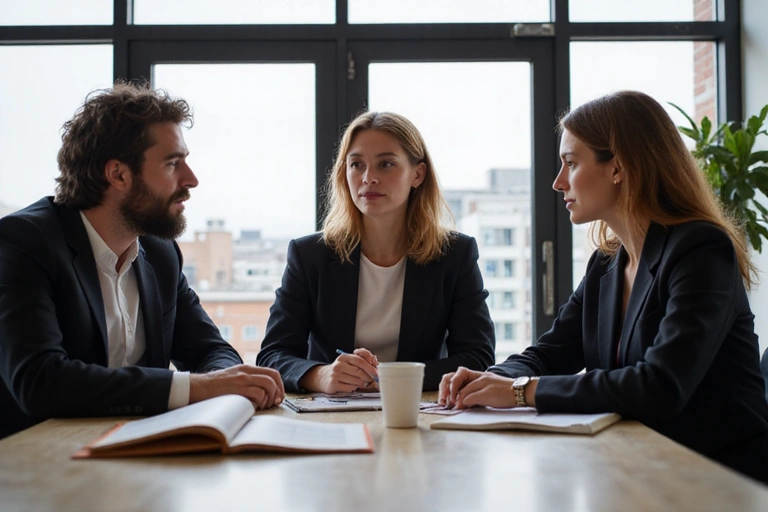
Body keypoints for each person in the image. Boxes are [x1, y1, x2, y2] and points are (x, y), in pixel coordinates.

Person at [439, 90, 768, 484]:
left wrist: (518, 391)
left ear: (619, 167)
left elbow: (659, 385)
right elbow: (548, 353)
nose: (559, 182)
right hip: (636, 466)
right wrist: (487, 380)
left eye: (571, 163)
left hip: (716, 477)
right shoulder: (607, 263)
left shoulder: (701, 250)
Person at [0, 82, 284, 439]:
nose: (191, 180)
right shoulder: (23, 243)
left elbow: (211, 350)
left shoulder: (160, 253)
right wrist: (198, 388)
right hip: (35, 468)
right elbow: (40, 382)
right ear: (118, 174)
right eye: (172, 164)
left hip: (140, 456)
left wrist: (223, 382)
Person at [256, 111, 495, 393]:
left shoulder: (455, 254)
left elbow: (477, 358)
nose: (369, 178)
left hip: (418, 412)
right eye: (357, 164)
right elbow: (272, 357)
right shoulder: (309, 255)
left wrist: (388, 378)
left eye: (386, 164)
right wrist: (321, 375)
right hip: (330, 419)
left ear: (417, 174)